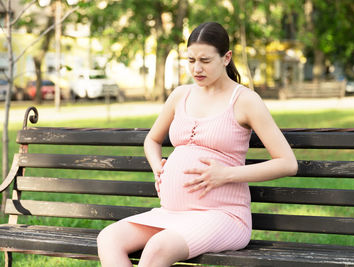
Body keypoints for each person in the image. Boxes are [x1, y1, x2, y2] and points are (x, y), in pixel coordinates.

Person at [97, 21, 298, 267]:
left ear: (226, 58)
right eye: (191, 60)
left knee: (157, 248)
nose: (196, 68)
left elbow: (287, 163)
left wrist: (225, 174)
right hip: (172, 215)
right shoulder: (181, 95)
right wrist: (157, 167)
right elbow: (152, 139)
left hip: (224, 215)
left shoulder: (245, 101)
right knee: (109, 238)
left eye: (205, 60)